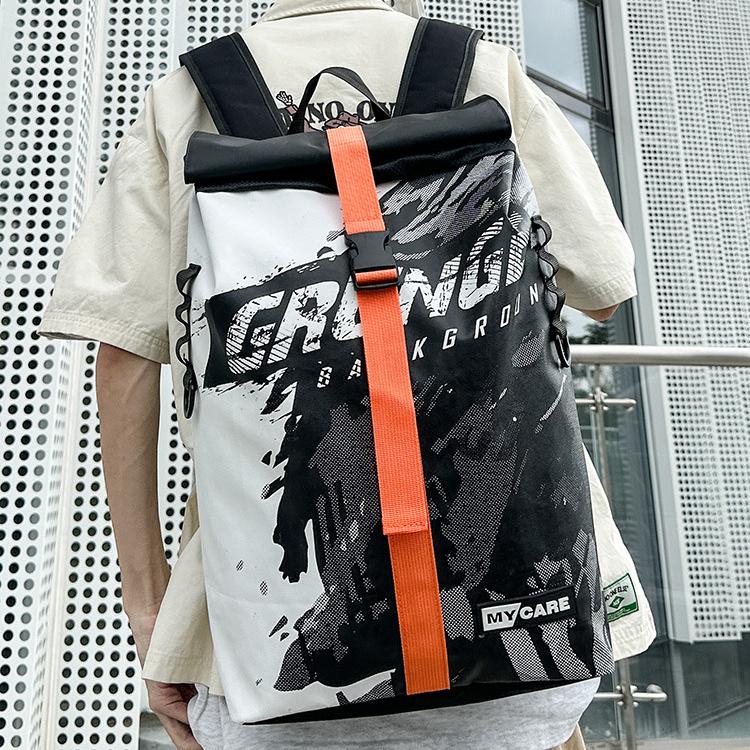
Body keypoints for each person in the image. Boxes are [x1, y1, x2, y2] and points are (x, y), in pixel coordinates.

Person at [36, 0, 650, 747]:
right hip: (530, 626)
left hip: (269, 653)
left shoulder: (185, 97)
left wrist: (153, 616)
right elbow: (603, 287)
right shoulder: (481, 70)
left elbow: (124, 356)